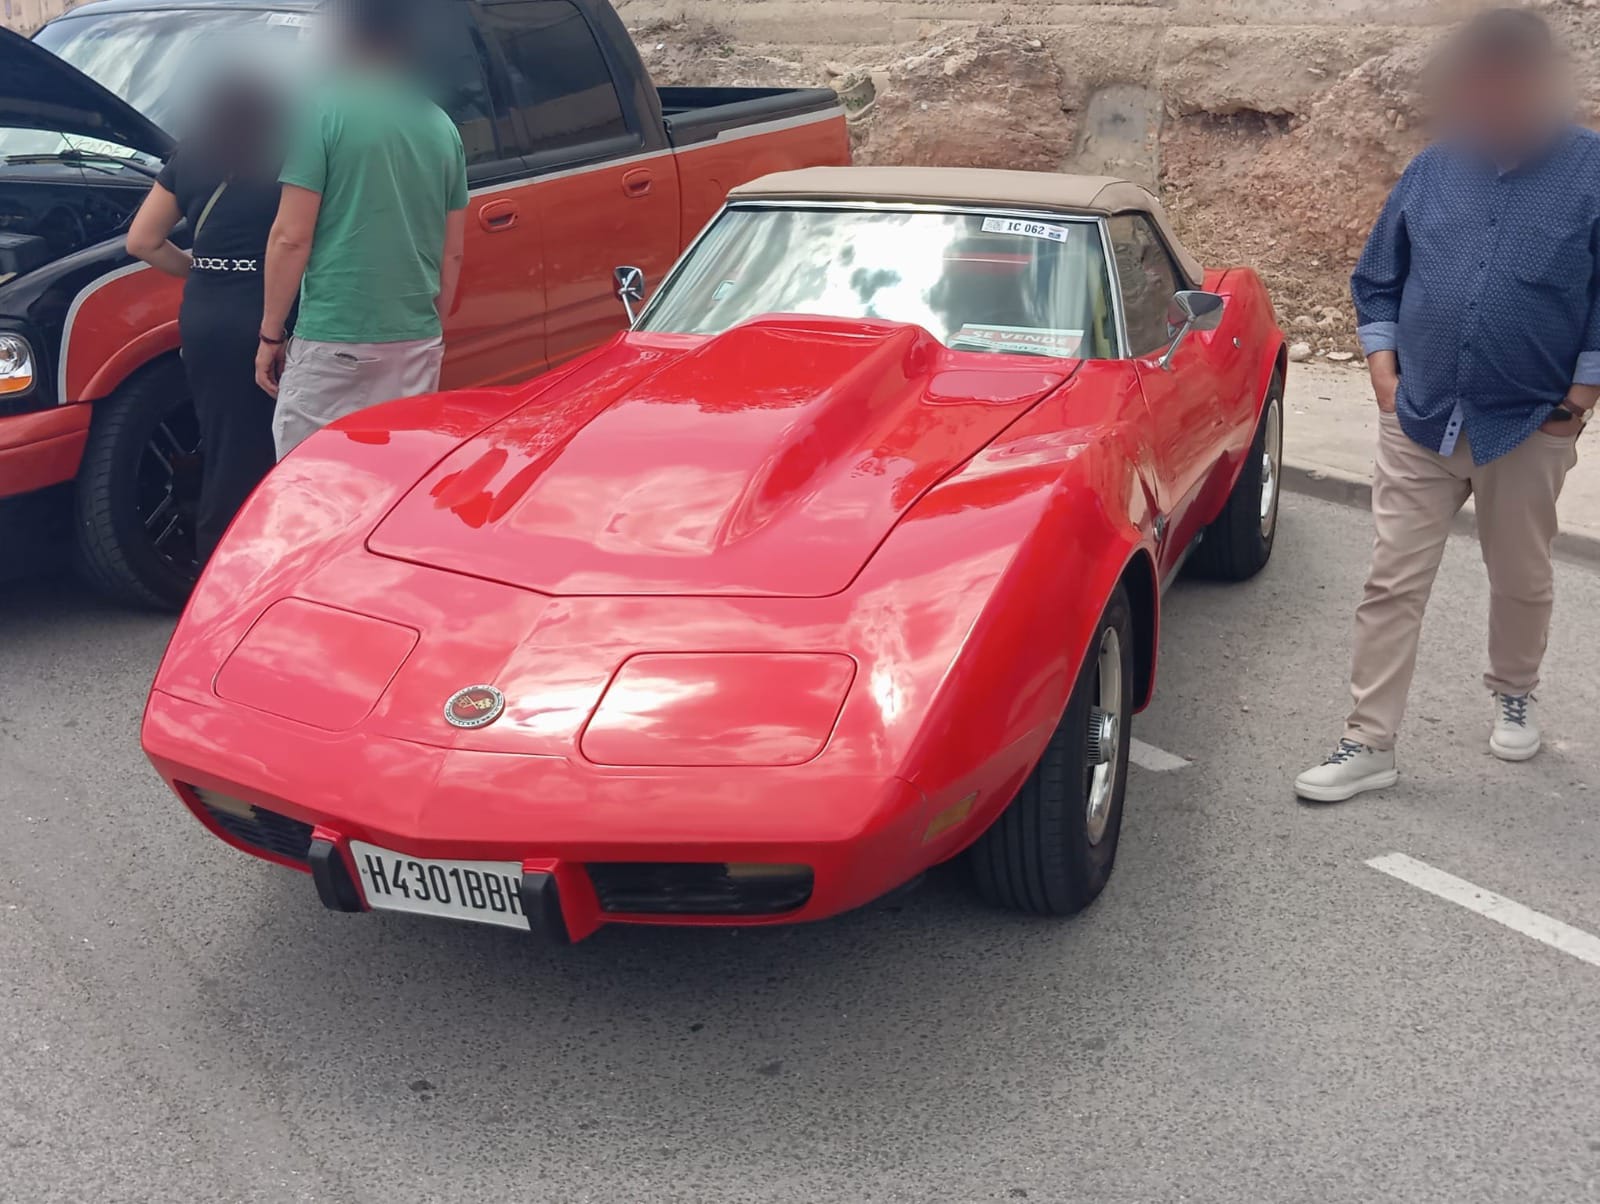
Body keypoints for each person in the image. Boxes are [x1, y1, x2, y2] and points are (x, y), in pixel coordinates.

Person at [1296, 7, 1600, 804]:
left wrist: (1579, 396)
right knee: (1390, 582)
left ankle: (1514, 690)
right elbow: (1378, 276)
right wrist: (1382, 369)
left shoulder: (1591, 172)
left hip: (1530, 421)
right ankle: (1368, 741)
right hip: (1421, 414)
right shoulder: (1433, 168)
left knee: (1521, 576)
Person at [255, 0, 468, 458]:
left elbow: (291, 237)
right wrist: (426, 326)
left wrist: (271, 334)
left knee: (310, 483)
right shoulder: (441, 125)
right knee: (396, 479)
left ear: (345, 40)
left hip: (337, 341)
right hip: (417, 341)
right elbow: (452, 253)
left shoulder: (323, 113)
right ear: (404, 45)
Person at [125, 72, 289, 564]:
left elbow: (142, 240)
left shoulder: (189, 158)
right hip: (266, 312)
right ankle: (258, 557)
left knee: (222, 443)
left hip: (205, 312)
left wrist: (197, 266)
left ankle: (213, 563)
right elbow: (297, 238)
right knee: (272, 442)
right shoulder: (285, 161)